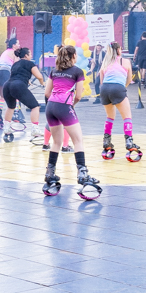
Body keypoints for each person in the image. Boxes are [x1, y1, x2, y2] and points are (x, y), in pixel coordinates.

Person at [42, 45, 99, 196]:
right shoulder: (77, 72)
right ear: (74, 56)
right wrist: (70, 106)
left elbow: (47, 93)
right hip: (64, 106)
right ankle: (82, 174)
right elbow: (79, 95)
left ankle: (50, 173)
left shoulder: (54, 71)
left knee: (56, 142)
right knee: (78, 140)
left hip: (50, 107)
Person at [98, 42, 140, 160]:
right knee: (127, 117)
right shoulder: (125, 61)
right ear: (119, 50)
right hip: (118, 87)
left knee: (110, 117)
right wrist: (122, 88)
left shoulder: (105, 62)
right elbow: (129, 78)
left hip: (105, 89)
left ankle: (106, 141)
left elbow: (101, 81)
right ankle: (129, 141)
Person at [2, 47, 45, 143]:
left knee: (10, 107)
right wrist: (43, 83)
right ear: (26, 55)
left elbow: (17, 75)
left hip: (7, 85)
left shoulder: (15, 64)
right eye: (30, 54)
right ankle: (35, 129)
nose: (31, 55)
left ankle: (7, 128)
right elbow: (39, 76)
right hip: (18, 86)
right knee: (35, 106)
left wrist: (27, 81)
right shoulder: (30, 63)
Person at [0, 37, 19, 127]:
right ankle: (16, 114)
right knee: (15, 94)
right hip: (5, 72)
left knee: (2, 96)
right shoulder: (14, 53)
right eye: (18, 44)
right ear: (14, 45)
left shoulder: (5, 52)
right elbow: (16, 67)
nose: (19, 45)